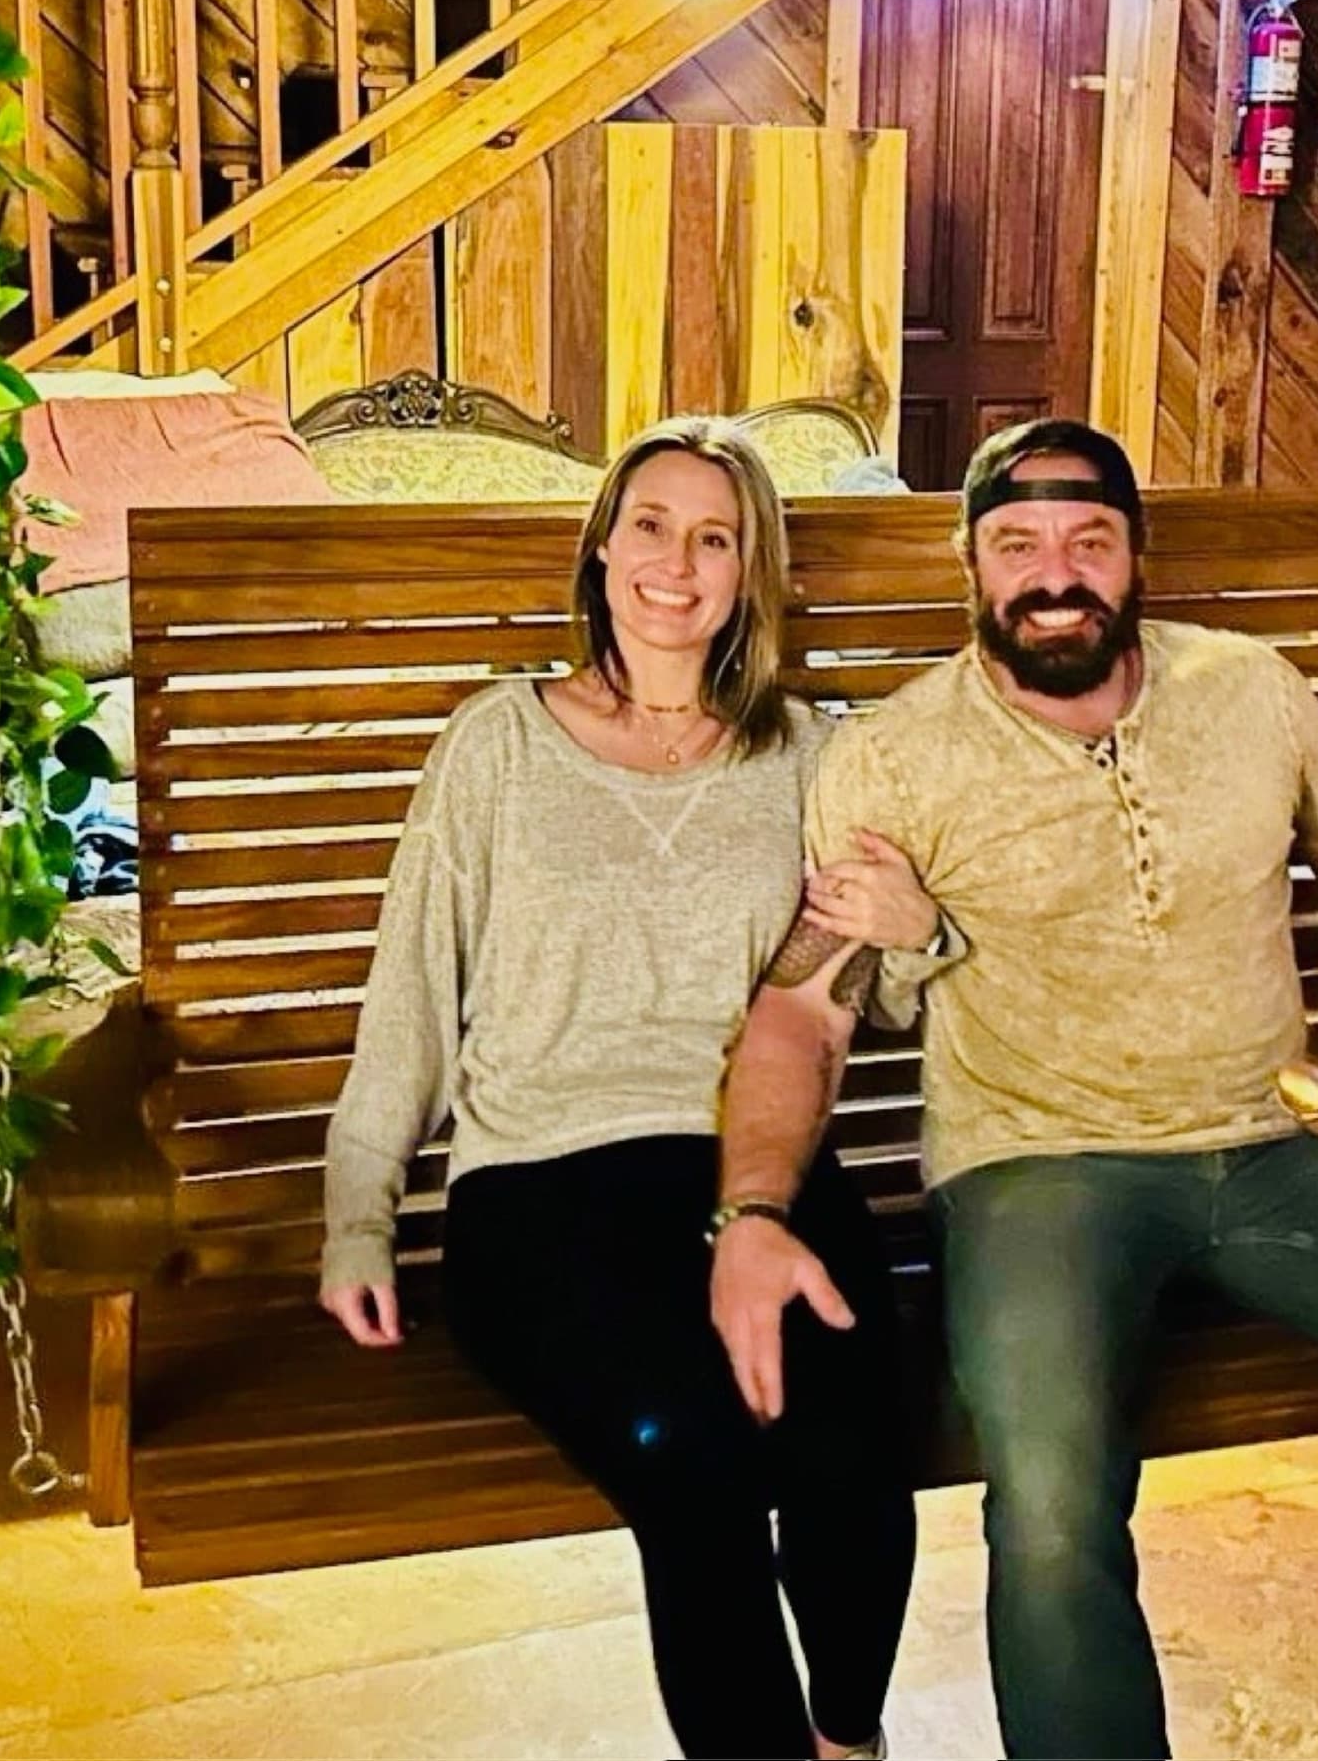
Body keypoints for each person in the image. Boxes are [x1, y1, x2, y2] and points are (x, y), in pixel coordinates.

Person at [709, 417, 1318, 1761]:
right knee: (1050, 1500)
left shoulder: (1253, 689)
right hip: (1038, 1172)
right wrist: (753, 1210)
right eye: (1018, 545)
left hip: (1281, 1151)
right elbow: (799, 1011)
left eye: (1089, 542)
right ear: (972, 570)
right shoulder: (891, 761)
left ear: (1136, 561)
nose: (1054, 574)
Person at [320, 419, 939, 1761]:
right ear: (602, 548)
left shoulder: (810, 758)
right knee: (695, 1461)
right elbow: (412, 996)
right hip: (542, 1189)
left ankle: (848, 1737)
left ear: (748, 575)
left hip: (752, 1169)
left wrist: (915, 920)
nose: (677, 561)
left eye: (715, 537)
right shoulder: (497, 744)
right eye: (650, 525)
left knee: (847, 1452)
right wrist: (359, 1211)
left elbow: (864, 994)